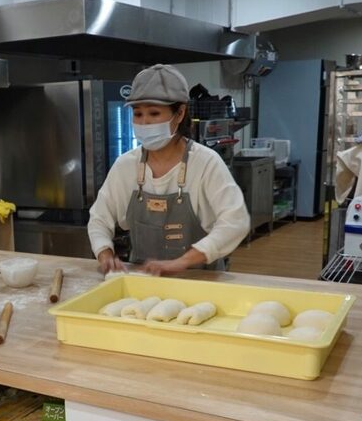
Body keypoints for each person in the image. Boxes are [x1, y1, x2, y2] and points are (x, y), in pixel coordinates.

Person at [87, 64, 250, 275]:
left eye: (154, 113)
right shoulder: (126, 165)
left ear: (180, 113)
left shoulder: (205, 163)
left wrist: (182, 262)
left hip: (201, 281)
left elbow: (236, 222)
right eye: (138, 114)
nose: (144, 122)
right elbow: (99, 218)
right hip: (143, 280)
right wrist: (105, 253)